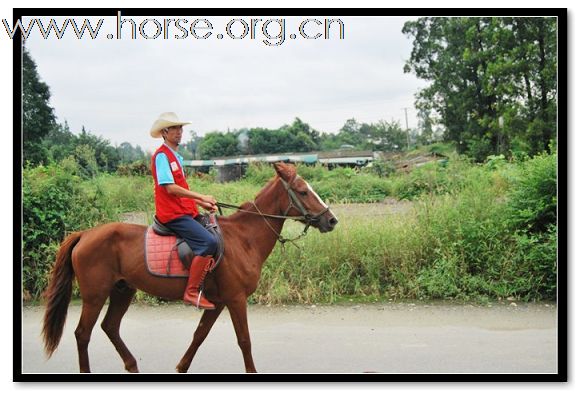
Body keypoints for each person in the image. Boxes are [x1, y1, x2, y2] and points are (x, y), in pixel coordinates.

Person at [150, 112, 218, 310]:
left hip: (184, 211)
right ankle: (191, 292)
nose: (179, 132)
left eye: (181, 128)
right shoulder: (162, 156)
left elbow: (181, 190)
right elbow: (170, 188)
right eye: (175, 129)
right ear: (165, 132)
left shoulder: (175, 156)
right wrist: (201, 197)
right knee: (208, 242)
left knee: (216, 230)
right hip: (172, 215)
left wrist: (202, 204)